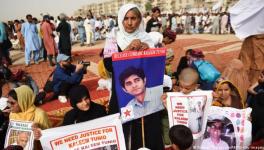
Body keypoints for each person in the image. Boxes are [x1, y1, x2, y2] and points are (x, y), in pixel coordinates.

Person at [103, 4, 164, 149]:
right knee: (124, 127)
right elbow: (108, 66)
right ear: (120, 19)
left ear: (139, 20)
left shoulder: (147, 38)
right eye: (126, 19)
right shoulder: (113, 39)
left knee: (146, 128)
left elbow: (154, 69)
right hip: (122, 93)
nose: (129, 23)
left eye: (133, 18)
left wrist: (148, 51)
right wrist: (128, 49)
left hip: (145, 93)